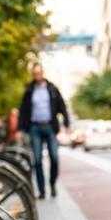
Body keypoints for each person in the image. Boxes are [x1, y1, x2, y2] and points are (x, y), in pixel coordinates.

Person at [18, 63, 69, 199]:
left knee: (54, 157)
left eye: (39, 73)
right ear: (33, 75)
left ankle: (52, 184)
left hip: (50, 127)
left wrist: (66, 122)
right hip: (35, 128)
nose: (37, 76)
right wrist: (21, 129)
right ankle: (41, 190)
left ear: (43, 73)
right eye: (35, 74)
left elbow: (62, 106)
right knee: (38, 160)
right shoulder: (29, 90)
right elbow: (23, 110)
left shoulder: (52, 89)